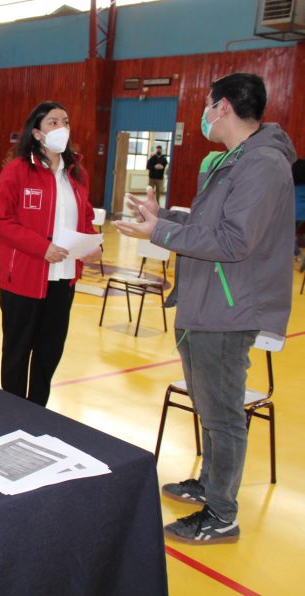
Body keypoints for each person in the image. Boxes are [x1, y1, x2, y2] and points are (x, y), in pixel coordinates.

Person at [115, 72, 294, 545]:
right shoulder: (233, 161)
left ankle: (222, 514)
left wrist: (157, 233)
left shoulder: (262, 165)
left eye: (209, 104)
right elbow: (207, 223)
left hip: (228, 310)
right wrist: (165, 217)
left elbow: (234, 242)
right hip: (205, 302)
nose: (205, 113)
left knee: (224, 414)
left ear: (224, 108)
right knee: (209, 406)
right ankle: (209, 484)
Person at [0, 100, 101, 407]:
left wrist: (92, 244)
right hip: (23, 278)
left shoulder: (77, 173)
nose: (61, 127)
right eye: (53, 122)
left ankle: (38, 412)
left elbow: (85, 216)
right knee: (18, 352)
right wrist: (42, 248)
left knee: (49, 352)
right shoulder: (18, 171)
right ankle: (12, 413)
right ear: (36, 133)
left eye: (65, 121)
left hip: (62, 280)